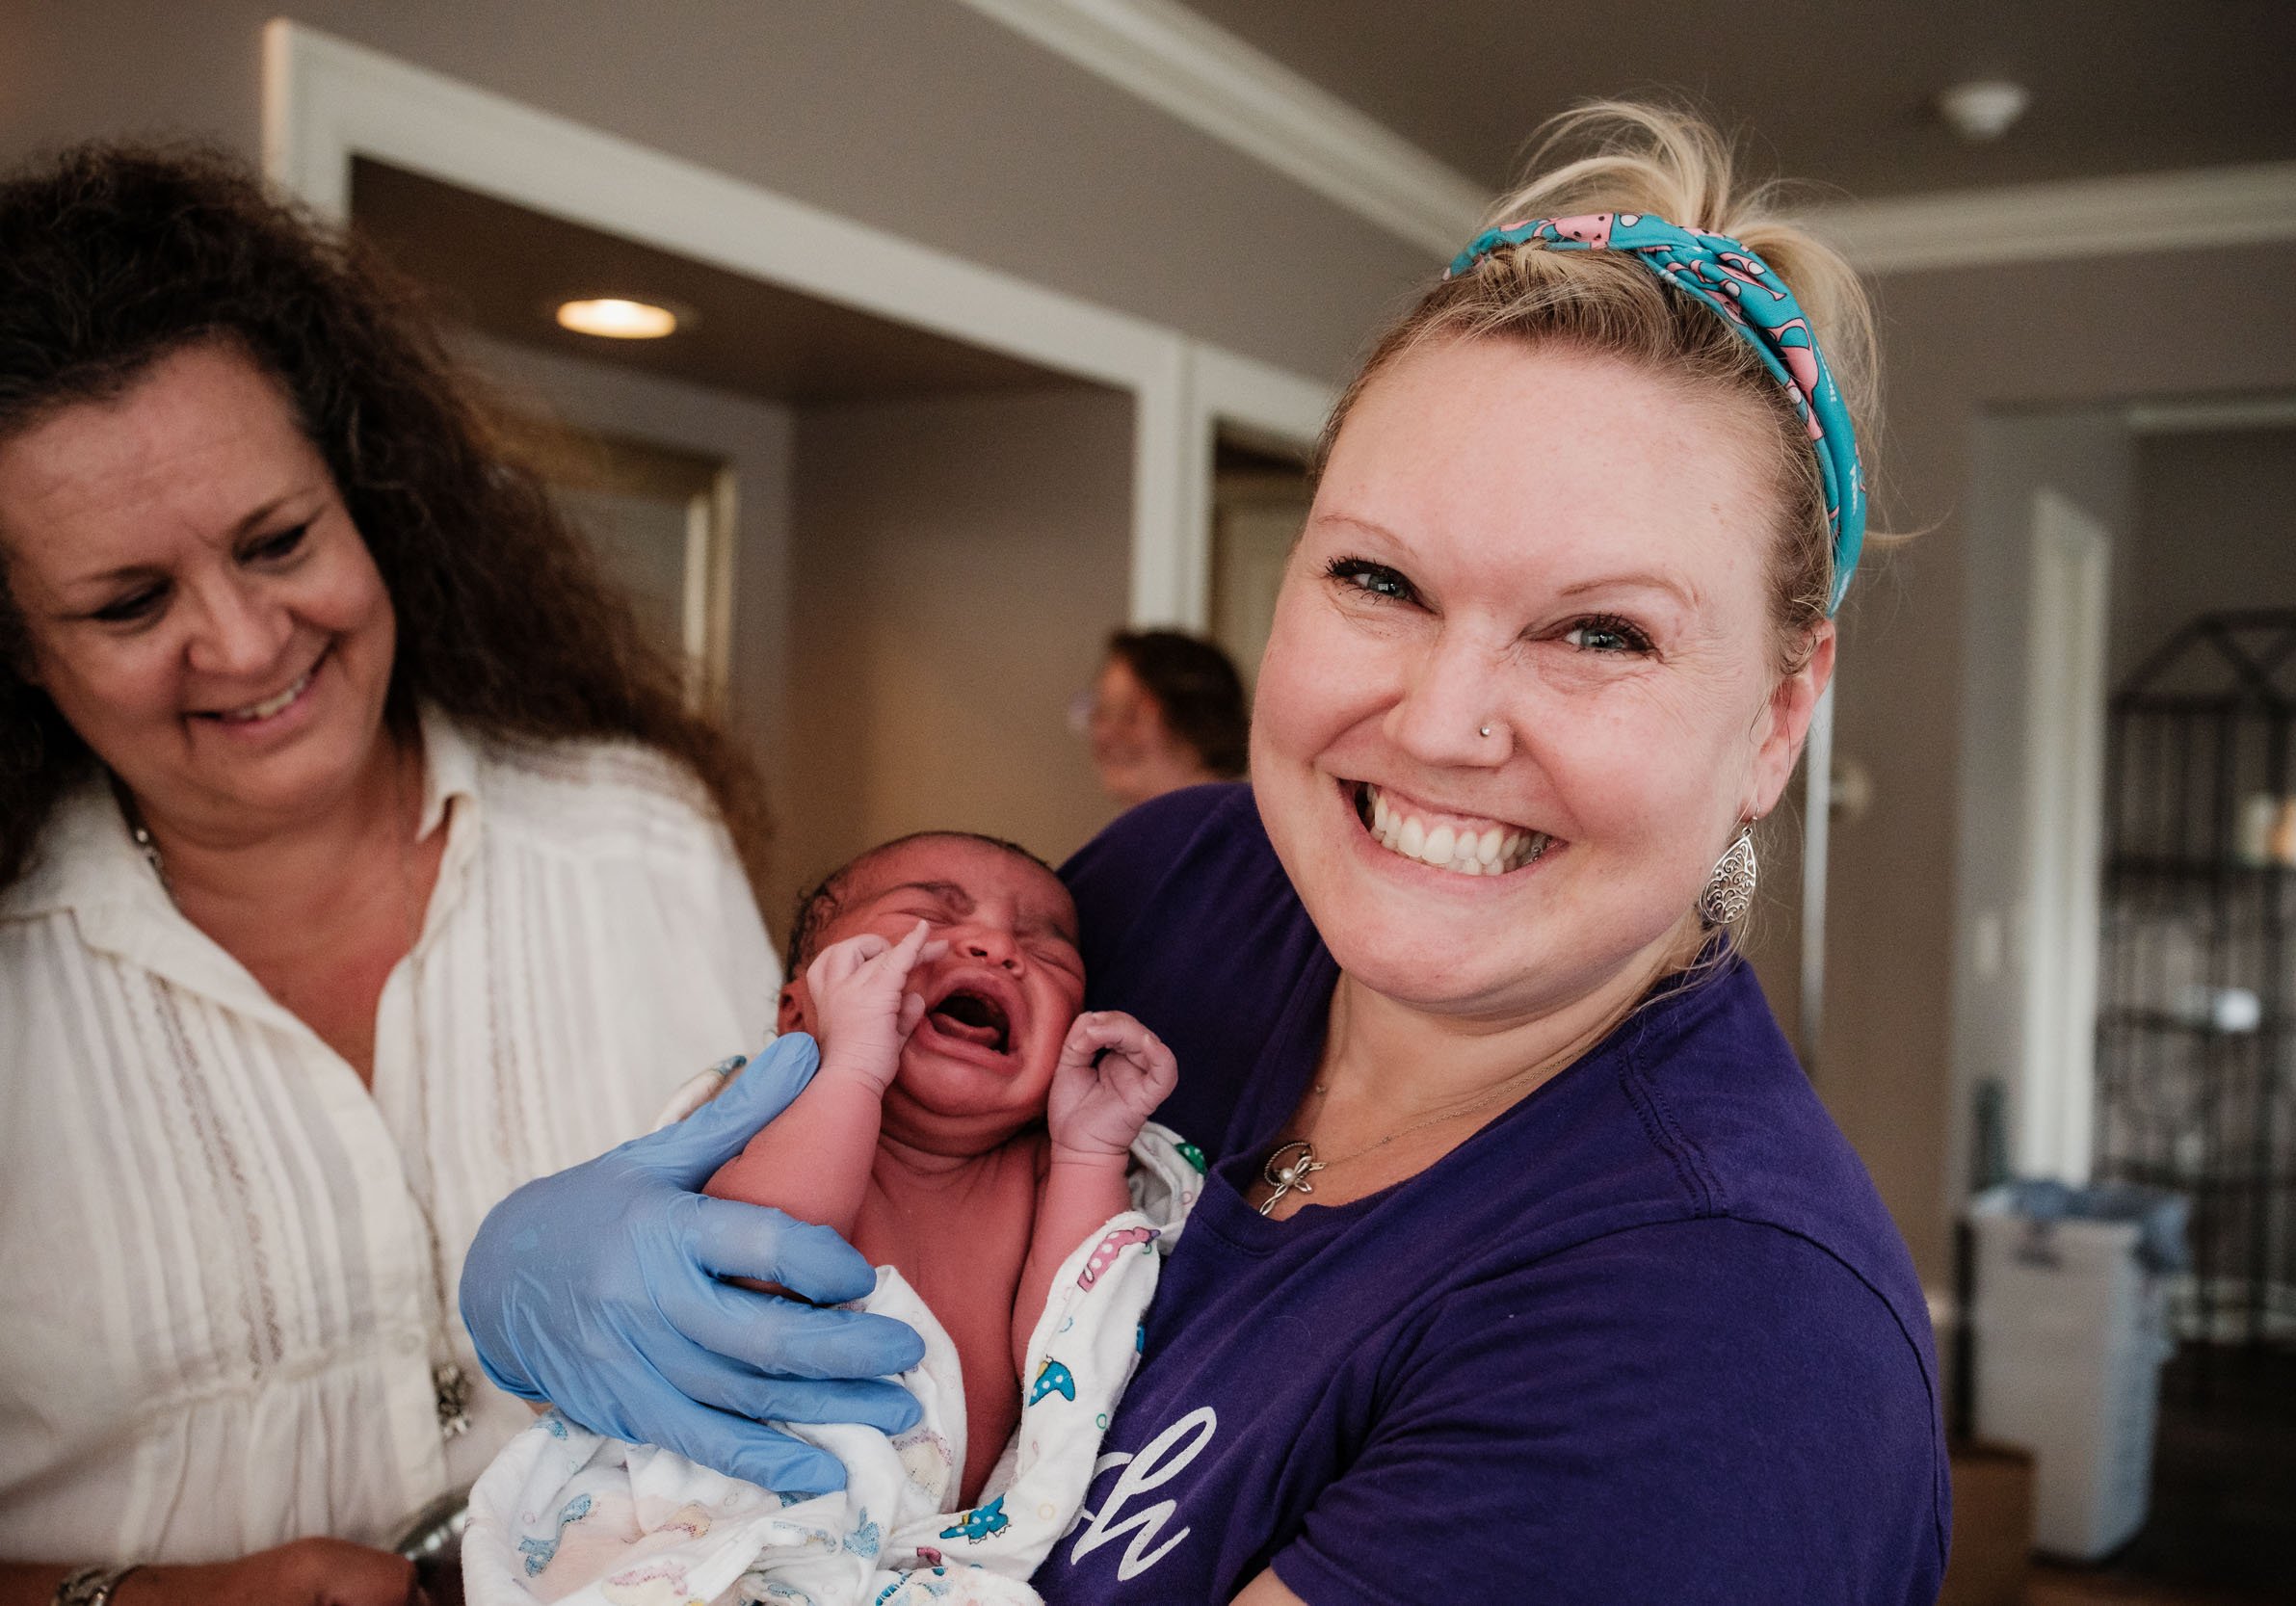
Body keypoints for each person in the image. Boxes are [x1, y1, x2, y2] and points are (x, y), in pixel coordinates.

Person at [462, 102, 1948, 1603]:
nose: (1441, 721)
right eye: (1380, 576)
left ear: (1779, 711)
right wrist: (541, 1264)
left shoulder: (1725, 1345)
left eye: (1601, 631)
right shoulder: (1173, 886)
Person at [0, 145, 921, 1606]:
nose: (243, 644)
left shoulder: (640, 828)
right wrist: (132, 1595)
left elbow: (836, 1244)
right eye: (128, 602)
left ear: (374, 498)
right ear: (18, 652)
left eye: (279, 540)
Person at [463, 832, 1189, 1605]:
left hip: (909, 1568)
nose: (999, 945)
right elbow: (751, 1262)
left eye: (1051, 951)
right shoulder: (767, 1112)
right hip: (693, 1540)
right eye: (928, 912)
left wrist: (1087, 1152)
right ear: (797, 1008)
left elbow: (1071, 1345)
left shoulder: (1042, 1168)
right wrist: (849, 1067)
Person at [1083, 629, 1248, 808]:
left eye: (1130, 715)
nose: (1106, 734)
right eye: (1100, 713)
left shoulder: (1245, 830)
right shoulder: (1137, 833)